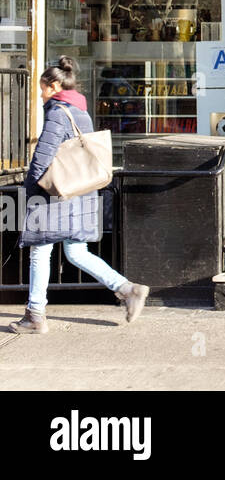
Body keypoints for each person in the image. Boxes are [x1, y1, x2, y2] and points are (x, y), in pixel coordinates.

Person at [8, 57, 149, 334]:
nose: (40, 93)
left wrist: (29, 190)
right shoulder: (80, 110)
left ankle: (35, 315)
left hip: (56, 194)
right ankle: (126, 288)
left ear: (55, 85)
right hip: (79, 191)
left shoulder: (58, 112)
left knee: (40, 251)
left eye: (43, 88)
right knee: (75, 250)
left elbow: (42, 157)